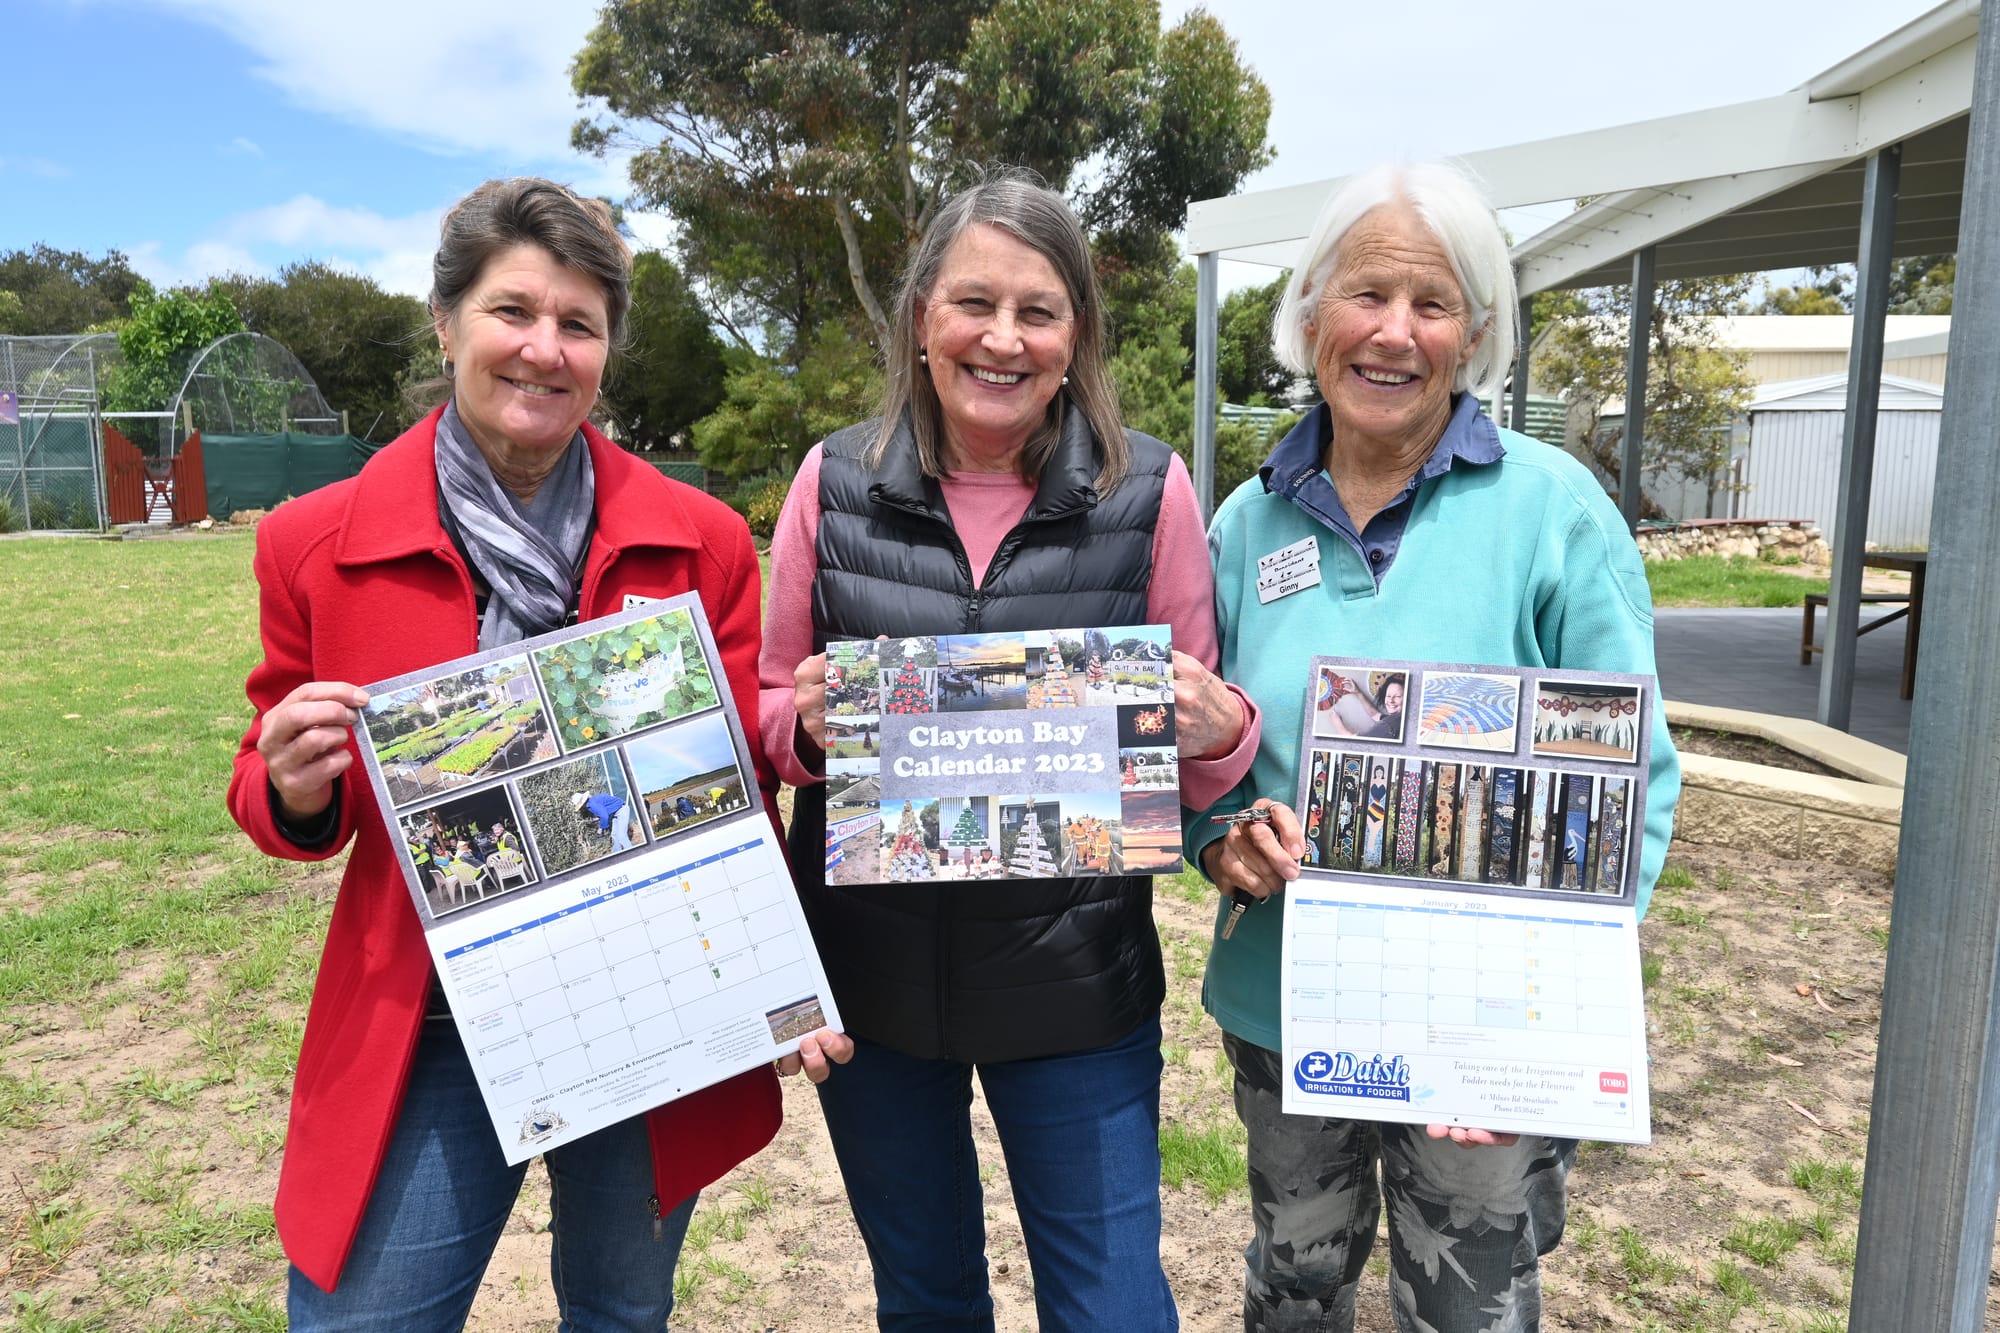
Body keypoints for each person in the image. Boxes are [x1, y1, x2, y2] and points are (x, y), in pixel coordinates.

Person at [226, 177, 789, 1331]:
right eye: (511, 312)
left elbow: (737, 788)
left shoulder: (704, 542)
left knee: (622, 1308)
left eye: (578, 325)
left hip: (650, 1002)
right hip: (431, 1011)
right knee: (363, 1316)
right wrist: (290, 783)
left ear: (608, 350)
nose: (543, 350)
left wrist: (770, 983)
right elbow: (272, 775)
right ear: (445, 323)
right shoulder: (314, 544)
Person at [758, 167, 1259, 1332]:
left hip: (1074, 994)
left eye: (1037, 311)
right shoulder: (829, 483)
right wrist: (804, 722)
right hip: (873, 991)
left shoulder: (1151, 491)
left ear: (1074, 331)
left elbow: (1201, 741)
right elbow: (768, 708)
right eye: (973, 303)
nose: (1002, 338)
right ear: (921, 316)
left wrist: (1220, 728)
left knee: (1113, 1308)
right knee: (926, 1300)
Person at [1189, 161, 1682, 1333]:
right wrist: (1223, 845)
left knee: (1466, 1301)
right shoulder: (1243, 521)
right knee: (1294, 1279)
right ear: (1309, 314)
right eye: (1364, 296)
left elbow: (1634, 785)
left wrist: (1538, 1027)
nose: (1392, 334)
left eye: (1432, 304)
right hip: (1287, 998)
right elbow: (1204, 754)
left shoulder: (1553, 509)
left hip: (1488, 1014)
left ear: (1473, 337)